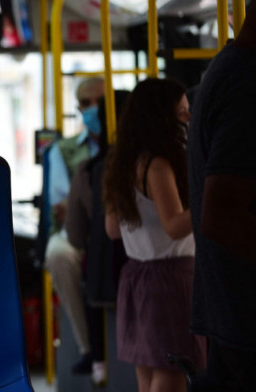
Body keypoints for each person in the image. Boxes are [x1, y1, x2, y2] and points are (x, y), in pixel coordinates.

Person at [104, 78, 207, 392]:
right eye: (183, 113)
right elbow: (174, 226)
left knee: (147, 374)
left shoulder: (121, 163)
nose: (189, 119)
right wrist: (210, 198)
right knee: (173, 371)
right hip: (170, 280)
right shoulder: (159, 165)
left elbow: (112, 229)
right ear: (162, 116)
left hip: (136, 277)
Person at [188, 3, 256, 390]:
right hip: (245, 319)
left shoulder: (227, 71)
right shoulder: (246, 81)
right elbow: (224, 214)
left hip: (231, 317)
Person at [64, 89, 130, 386]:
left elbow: (76, 236)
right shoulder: (159, 164)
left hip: (101, 278)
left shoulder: (89, 170)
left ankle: (95, 356)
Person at [43, 77, 104, 374]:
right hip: (76, 231)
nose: (93, 109)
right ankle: (88, 347)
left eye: (100, 102)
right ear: (77, 108)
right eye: (86, 103)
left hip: (114, 227)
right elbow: (64, 206)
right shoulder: (62, 150)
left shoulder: (127, 145)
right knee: (59, 255)